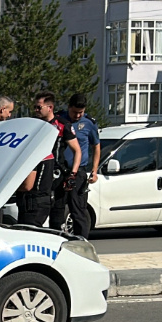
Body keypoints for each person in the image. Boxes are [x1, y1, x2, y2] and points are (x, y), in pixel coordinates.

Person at [16, 92, 77, 227]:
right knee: (35, 213)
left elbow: (77, 150)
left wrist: (73, 173)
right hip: (39, 173)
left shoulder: (62, 124)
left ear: (50, 107)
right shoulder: (33, 124)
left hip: (57, 173)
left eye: (39, 107)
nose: (36, 110)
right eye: (35, 107)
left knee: (57, 217)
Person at [52, 93, 99, 237]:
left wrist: (94, 170)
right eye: (75, 112)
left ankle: (82, 242)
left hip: (78, 172)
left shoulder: (89, 123)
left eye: (81, 112)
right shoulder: (59, 120)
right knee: (57, 208)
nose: (78, 116)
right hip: (60, 170)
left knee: (78, 209)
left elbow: (96, 146)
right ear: (68, 107)